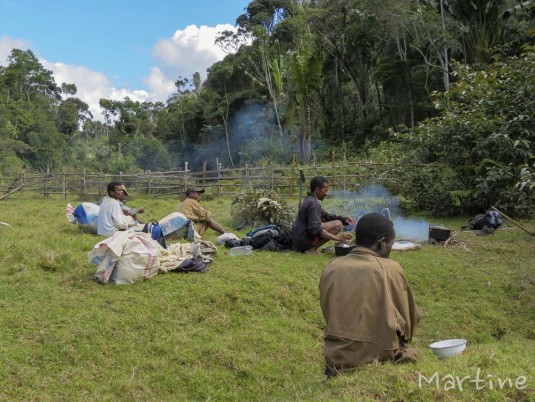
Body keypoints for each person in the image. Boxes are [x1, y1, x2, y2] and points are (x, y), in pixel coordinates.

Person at [319, 213, 420, 377]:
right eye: (390, 245)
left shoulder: (332, 266)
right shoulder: (390, 268)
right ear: (382, 242)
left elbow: (328, 312)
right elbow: (407, 323)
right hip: (376, 357)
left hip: (335, 359)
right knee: (406, 350)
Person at [291, 176, 356, 254]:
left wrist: (344, 219)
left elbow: (326, 216)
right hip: (301, 242)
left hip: (298, 240)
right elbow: (315, 228)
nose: (326, 193)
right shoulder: (313, 203)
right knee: (337, 225)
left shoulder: (310, 200)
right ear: (318, 190)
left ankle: (311, 248)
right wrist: (338, 238)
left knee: (339, 222)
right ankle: (311, 250)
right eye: (325, 191)